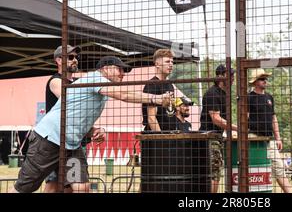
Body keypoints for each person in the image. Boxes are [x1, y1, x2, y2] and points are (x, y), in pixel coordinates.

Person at [11, 56, 172, 193]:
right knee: (24, 188)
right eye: (120, 69)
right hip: (49, 140)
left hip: (70, 146)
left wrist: (94, 130)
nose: (123, 74)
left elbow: (76, 117)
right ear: (106, 68)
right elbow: (123, 94)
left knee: (81, 186)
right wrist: (155, 98)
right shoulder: (96, 78)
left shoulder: (100, 90)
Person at [43, 45, 105, 193]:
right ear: (58, 60)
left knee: (74, 186)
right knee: (53, 186)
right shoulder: (55, 81)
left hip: (74, 145)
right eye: (70, 57)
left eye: (76, 57)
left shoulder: (78, 83)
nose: (75, 60)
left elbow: (80, 116)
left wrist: (94, 130)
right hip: (55, 143)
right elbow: (71, 100)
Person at [247, 68, 292, 193]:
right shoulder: (249, 97)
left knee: (279, 168)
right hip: (253, 138)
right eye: (262, 78)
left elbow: (273, 118)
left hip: (269, 139)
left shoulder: (269, 97)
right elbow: (244, 118)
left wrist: (278, 137)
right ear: (255, 82)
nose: (265, 81)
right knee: (255, 169)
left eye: (265, 78)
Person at [200, 64, 238, 193]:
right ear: (221, 76)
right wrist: (237, 128)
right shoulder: (213, 93)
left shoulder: (224, 94)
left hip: (216, 136)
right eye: (230, 75)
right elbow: (215, 119)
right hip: (209, 137)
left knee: (215, 172)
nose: (233, 78)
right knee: (214, 172)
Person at [142, 49, 192, 132]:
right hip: (156, 137)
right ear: (157, 64)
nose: (171, 64)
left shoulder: (170, 85)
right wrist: (160, 138)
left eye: (172, 62)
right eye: (167, 62)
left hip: (170, 133)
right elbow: (151, 118)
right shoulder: (152, 85)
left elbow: (170, 111)